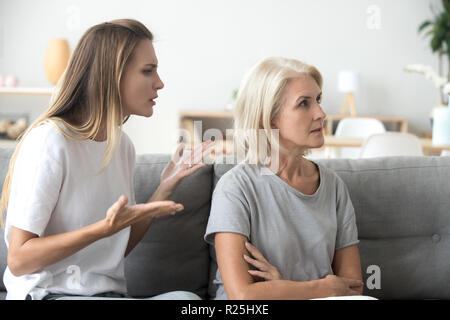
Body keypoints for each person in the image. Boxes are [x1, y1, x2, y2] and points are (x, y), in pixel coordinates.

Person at [0, 19, 213, 300]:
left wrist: (164, 188)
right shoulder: (50, 141)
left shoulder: (122, 146)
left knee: (188, 300)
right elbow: (18, 259)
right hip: (48, 294)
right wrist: (102, 228)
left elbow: (114, 250)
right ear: (112, 75)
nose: (159, 83)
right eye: (148, 71)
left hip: (106, 296)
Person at [204, 57, 374, 300]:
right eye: (304, 103)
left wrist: (283, 286)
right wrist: (321, 288)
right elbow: (242, 295)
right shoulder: (235, 188)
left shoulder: (333, 186)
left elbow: (353, 289)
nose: (321, 113)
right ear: (269, 117)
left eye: (318, 100)